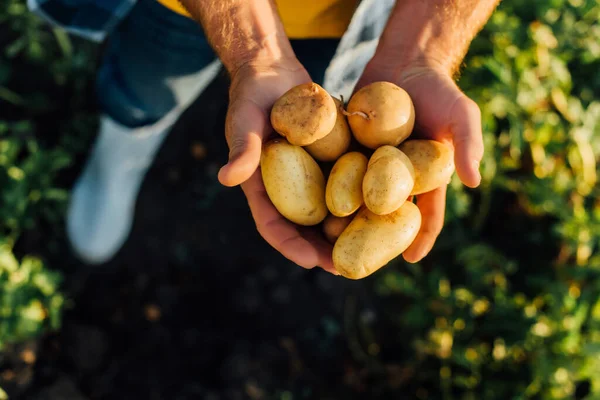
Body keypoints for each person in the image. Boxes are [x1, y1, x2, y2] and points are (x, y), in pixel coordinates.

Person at [29, 0, 500, 274]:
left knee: (316, 102)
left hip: (354, 14)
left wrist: (421, 48)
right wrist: (253, 45)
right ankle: (123, 153)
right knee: (146, 86)